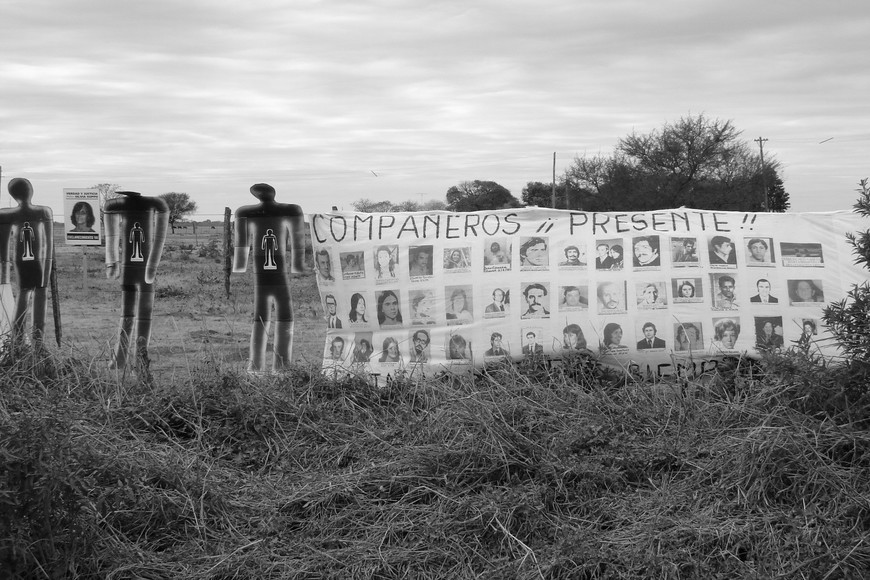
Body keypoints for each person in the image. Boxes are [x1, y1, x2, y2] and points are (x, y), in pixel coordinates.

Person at [106, 189, 171, 373]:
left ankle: (138, 359)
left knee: (136, 314)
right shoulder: (153, 205)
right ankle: (123, 358)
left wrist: (151, 266)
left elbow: (157, 235)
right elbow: (111, 233)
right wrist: (112, 261)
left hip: (139, 271)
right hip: (134, 270)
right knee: (129, 313)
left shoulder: (153, 206)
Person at [0, 178, 55, 348]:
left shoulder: (7, 214)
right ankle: (29, 342)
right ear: (30, 191)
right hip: (37, 262)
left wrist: (4, 273)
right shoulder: (43, 212)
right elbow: (48, 245)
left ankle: (22, 342)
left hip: (23, 262)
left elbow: (3, 251)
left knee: (24, 295)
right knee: (37, 294)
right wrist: (46, 271)